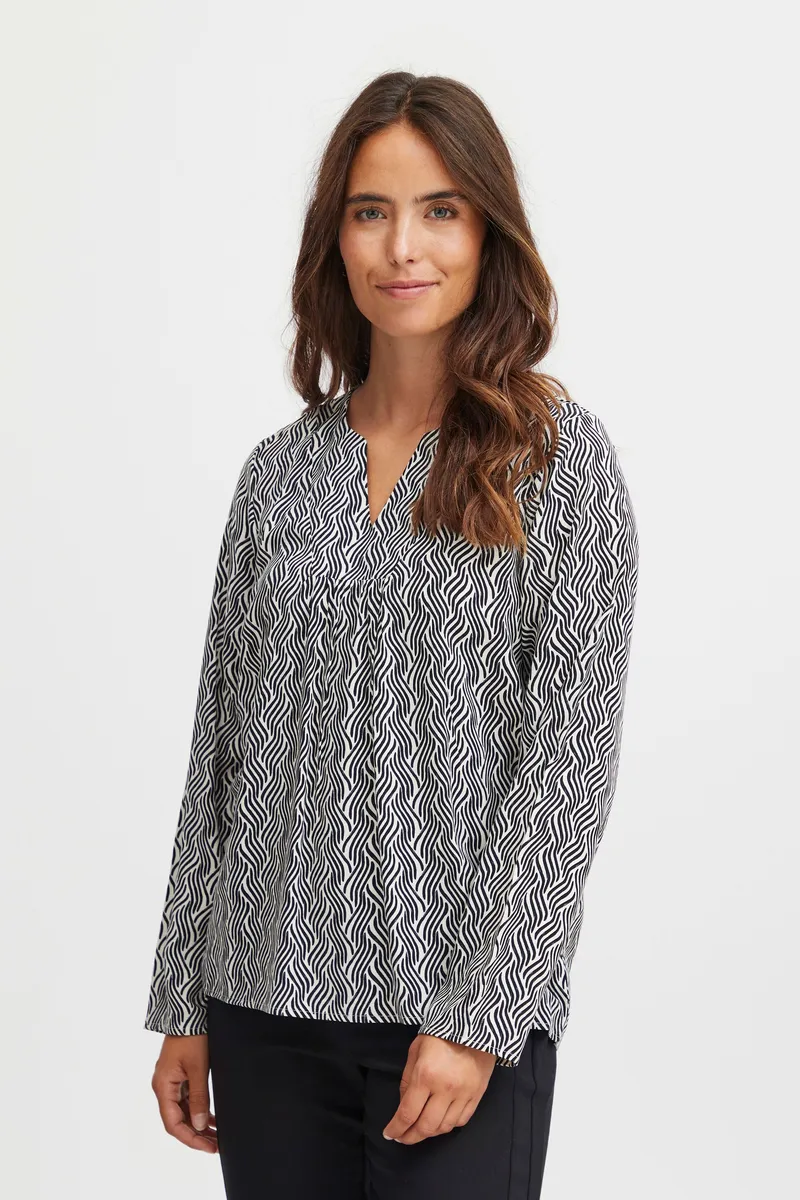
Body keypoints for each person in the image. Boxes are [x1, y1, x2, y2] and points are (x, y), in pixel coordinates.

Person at [144, 69, 639, 1200]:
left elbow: (566, 770)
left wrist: (480, 1016)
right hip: (261, 1008)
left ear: (487, 233)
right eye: (371, 212)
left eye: (439, 211)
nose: (401, 248)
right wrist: (182, 997)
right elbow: (220, 754)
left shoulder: (558, 463)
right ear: (336, 237)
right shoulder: (278, 476)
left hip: (453, 1025)